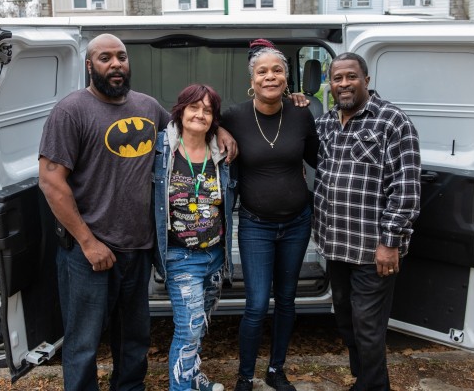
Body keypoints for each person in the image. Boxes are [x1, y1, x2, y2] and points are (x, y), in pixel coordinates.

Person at [38, 33, 237, 391]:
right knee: (83, 342)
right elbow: (52, 182)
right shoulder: (71, 111)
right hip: (90, 250)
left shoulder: (147, 107)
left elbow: (187, 123)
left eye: (121, 57)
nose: (115, 64)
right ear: (89, 66)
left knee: (133, 339)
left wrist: (219, 127)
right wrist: (87, 242)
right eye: (104, 58)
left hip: (138, 248)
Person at [313, 52, 421, 391]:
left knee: (369, 326)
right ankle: (367, 379)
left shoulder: (391, 121)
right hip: (335, 244)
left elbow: (406, 187)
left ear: (366, 80)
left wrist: (391, 242)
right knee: (346, 319)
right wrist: (296, 99)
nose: (344, 84)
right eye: (337, 78)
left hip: (373, 249)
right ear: (329, 85)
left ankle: (372, 386)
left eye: (351, 77)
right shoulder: (327, 121)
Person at [221, 39, 319, 391]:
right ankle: (245, 375)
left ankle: (276, 370)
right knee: (257, 304)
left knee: (288, 300)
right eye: (262, 71)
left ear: (286, 78)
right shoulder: (233, 116)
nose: (270, 76)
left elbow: (317, 159)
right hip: (255, 225)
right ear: (252, 78)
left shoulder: (301, 113)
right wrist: (218, 129)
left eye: (277, 70)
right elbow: (195, 122)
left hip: (297, 222)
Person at [153, 84, 237, 391]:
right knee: (187, 329)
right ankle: (181, 387)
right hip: (180, 257)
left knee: (199, 326)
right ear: (180, 110)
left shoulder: (222, 151)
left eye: (208, 109)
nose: (200, 114)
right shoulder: (161, 148)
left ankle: (193, 377)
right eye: (193, 107)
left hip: (214, 255)